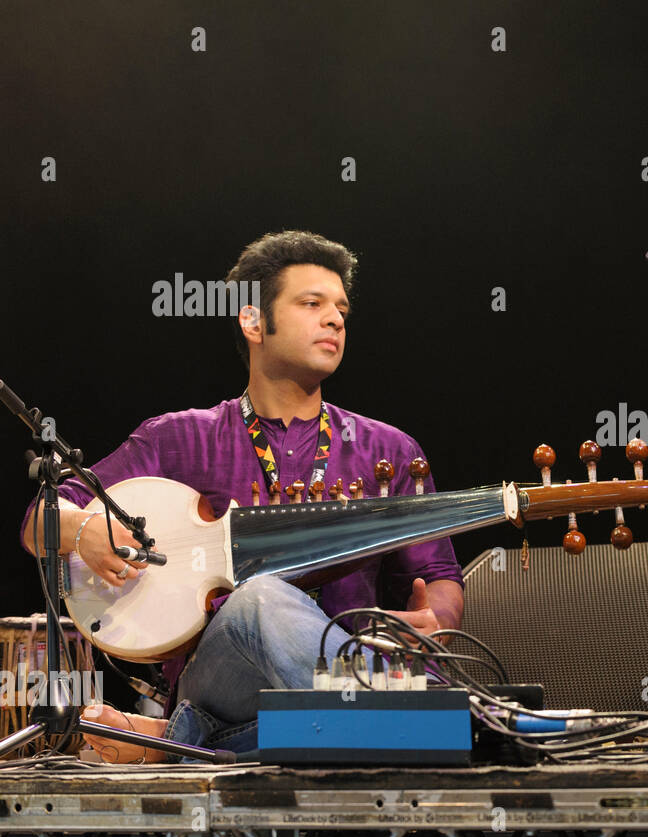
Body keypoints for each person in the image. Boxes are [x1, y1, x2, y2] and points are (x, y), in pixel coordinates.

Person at [20, 231, 464, 761]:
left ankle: (178, 741)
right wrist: (84, 528)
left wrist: (436, 619)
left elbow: (437, 575)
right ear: (252, 320)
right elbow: (41, 518)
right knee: (259, 598)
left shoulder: (387, 450)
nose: (336, 319)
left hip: (315, 702)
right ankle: (421, 722)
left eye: (341, 307)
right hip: (226, 678)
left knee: (303, 724)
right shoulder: (179, 438)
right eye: (312, 303)